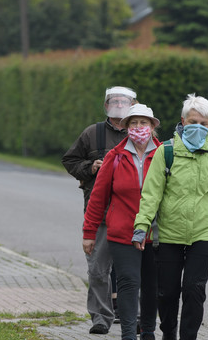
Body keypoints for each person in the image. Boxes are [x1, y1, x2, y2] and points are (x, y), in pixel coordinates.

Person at [132, 94, 208, 340]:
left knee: (194, 289)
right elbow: (151, 194)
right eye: (193, 122)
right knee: (167, 292)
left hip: (203, 233)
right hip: (169, 233)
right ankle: (169, 332)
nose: (197, 127)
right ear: (183, 121)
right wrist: (142, 226)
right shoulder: (166, 153)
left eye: (203, 124)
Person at [62, 86, 136, 335]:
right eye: (113, 101)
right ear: (106, 106)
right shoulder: (92, 133)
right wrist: (90, 167)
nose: (118, 104)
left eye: (123, 101)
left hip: (132, 215)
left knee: (132, 271)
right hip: (100, 212)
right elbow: (70, 161)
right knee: (97, 269)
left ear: (133, 104)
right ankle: (101, 317)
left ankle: (132, 316)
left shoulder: (140, 132)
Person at [83, 104, 161, 340]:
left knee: (151, 287)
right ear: (126, 127)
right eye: (133, 123)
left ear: (152, 127)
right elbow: (98, 196)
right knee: (128, 283)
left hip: (155, 234)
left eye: (143, 123)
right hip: (122, 232)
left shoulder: (165, 154)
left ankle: (147, 331)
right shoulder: (114, 156)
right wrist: (89, 232)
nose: (138, 127)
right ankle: (128, 334)